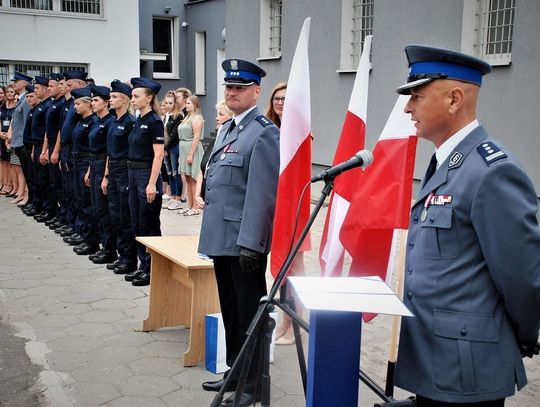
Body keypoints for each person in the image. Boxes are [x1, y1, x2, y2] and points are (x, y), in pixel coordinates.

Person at [394, 44, 540, 406]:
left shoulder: (492, 171)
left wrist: (515, 337)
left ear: (454, 99)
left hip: (468, 369)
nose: (407, 107)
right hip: (435, 360)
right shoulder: (447, 162)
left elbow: (523, 277)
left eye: (417, 96)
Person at [198, 59, 280, 407]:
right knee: (230, 310)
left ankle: (253, 385)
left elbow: (262, 195)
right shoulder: (231, 128)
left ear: (256, 91)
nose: (232, 93)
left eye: (240, 88)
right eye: (228, 87)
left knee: (250, 315)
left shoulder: (263, 132)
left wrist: (252, 243)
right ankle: (235, 370)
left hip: (243, 243)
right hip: (221, 237)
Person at [264, 82, 306, 346]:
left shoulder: (300, 134)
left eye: (285, 99)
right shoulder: (269, 130)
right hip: (272, 205)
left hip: (293, 208)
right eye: (277, 98)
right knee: (281, 268)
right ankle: (284, 319)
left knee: (296, 269)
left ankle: (297, 324)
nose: (280, 102)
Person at [124, 77, 164, 287]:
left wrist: (151, 184)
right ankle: (143, 266)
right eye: (132, 96)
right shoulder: (139, 120)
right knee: (137, 223)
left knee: (148, 225)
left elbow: (158, 155)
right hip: (133, 174)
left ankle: (151, 269)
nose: (132, 100)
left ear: (149, 98)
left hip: (146, 176)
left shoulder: (154, 122)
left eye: (136, 96)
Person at [101, 80, 138, 276]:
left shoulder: (130, 122)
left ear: (124, 99)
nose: (111, 100)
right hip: (114, 171)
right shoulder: (114, 121)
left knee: (125, 218)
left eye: (114, 97)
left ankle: (129, 259)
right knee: (115, 215)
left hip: (125, 171)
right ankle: (121, 255)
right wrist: (106, 176)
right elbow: (109, 152)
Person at [87, 85, 116, 264]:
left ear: (106, 103)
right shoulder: (97, 121)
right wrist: (90, 171)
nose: (93, 103)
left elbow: (108, 151)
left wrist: (106, 175)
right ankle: (102, 245)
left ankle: (109, 249)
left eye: (96, 100)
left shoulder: (110, 122)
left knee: (105, 210)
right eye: (92, 100)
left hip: (104, 164)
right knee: (97, 208)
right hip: (94, 164)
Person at [70, 86, 100, 256]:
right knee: (81, 200)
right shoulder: (81, 120)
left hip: (85, 162)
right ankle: (84, 234)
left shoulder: (93, 121)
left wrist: (88, 169)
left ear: (87, 104)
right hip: (77, 160)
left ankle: (91, 241)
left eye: (78, 103)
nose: (75, 107)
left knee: (88, 204)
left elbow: (92, 149)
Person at [194, 100, 232, 210]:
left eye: (221, 114)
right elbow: (203, 169)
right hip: (206, 198)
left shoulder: (231, 144)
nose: (216, 118)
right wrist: (198, 195)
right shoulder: (213, 142)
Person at [6, 72, 32, 210]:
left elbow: (27, 123)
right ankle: (22, 194)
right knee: (23, 170)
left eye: (16, 81)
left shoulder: (26, 100)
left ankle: (27, 195)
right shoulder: (21, 99)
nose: (14, 84)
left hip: (23, 142)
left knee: (26, 172)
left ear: (23, 83)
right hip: (18, 141)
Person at [177, 94, 204, 216]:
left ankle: (195, 207)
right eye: (186, 103)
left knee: (193, 179)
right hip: (183, 149)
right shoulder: (187, 117)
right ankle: (189, 205)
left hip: (192, 149)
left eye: (188, 103)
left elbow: (197, 136)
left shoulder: (197, 118)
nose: (186, 105)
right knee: (187, 179)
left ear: (195, 104)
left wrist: (190, 154)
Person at [162, 91, 184, 210]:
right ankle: (172, 196)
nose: (168, 105)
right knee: (169, 172)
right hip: (166, 147)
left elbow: (174, 134)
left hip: (173, 147)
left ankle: (178, 198)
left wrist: (165, 146)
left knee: (176, 173)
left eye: (171, 103)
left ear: (175, 103)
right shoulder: (166, 115)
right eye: (166, 102)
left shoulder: (178, 115)